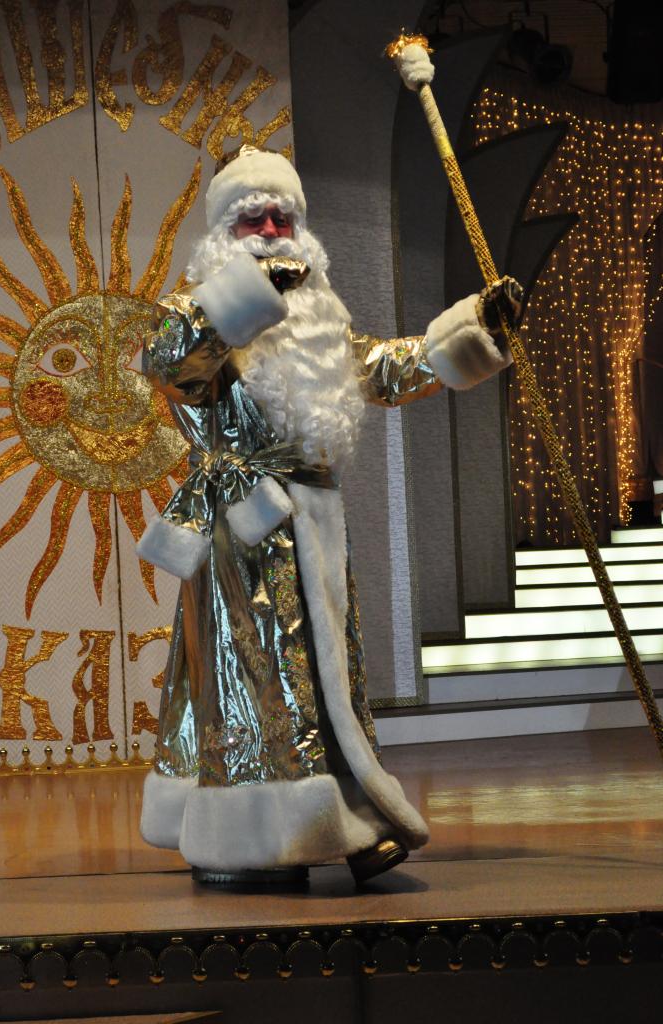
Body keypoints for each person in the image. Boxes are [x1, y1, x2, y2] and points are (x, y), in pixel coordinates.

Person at [137, 144, 521, 884]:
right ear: (225, 231)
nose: (270, 230)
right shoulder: (196, 313)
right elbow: (171, 365)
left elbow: (384, 368)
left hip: (314, 522)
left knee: (325, 679)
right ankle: (268, 842)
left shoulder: (321, 324)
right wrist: (248, 296)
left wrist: (476, 328)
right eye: (253, 218)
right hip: (246, 527)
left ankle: (341, 815)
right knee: (266, 679)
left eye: (281, 218)